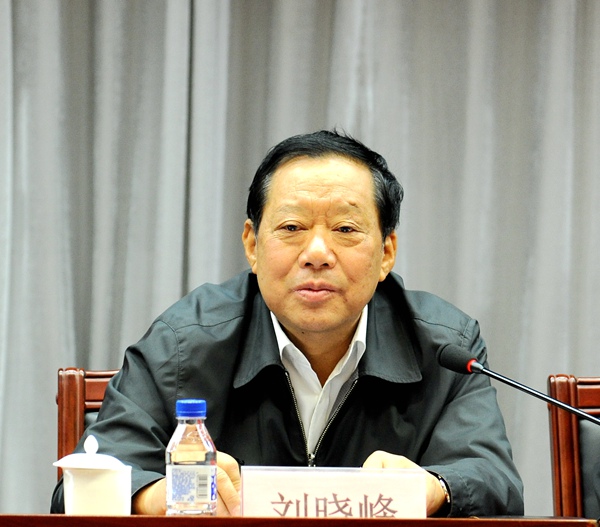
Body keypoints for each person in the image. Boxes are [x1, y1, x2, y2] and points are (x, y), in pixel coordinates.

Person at [51, 130, 524, 517]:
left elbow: (495, 481)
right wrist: (161, 496)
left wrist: (435, 486)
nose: (317, 253)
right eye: (292, 228)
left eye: (345, 229)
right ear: (252, 245)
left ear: (386, 252)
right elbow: (79, 490)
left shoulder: (444, 347)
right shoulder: (182, 345)